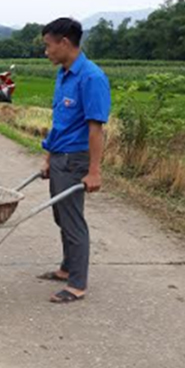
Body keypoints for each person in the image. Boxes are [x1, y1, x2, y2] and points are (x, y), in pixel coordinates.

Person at [37, 18, 111, 304]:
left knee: (72, 220)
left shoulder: (91, 78)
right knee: (61, 215)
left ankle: (77, 284)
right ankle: (67, 268)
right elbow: (60, 121)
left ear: (64, 43)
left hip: (75, 160)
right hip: (59, 156)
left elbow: (96, 129)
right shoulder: (64, 73)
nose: (46, 51)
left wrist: (94, 171)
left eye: (48, 45)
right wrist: (47, 157)